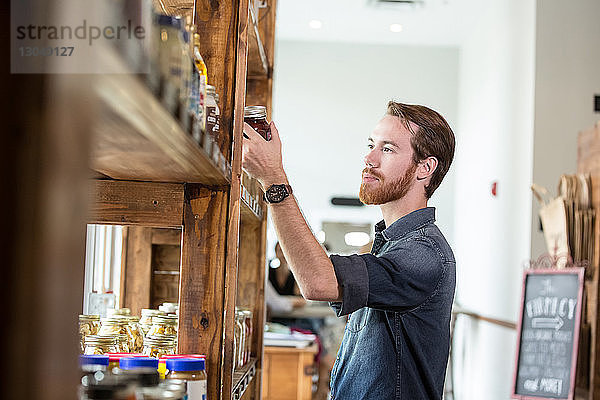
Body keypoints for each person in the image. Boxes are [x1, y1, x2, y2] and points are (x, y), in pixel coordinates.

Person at [242, 101, 456, 400]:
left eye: (388, 149)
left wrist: (273, 178)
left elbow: (318, 281)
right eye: (371, 145)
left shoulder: (422, 252)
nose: (369, 158)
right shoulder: (391, 244)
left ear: (425, 168)